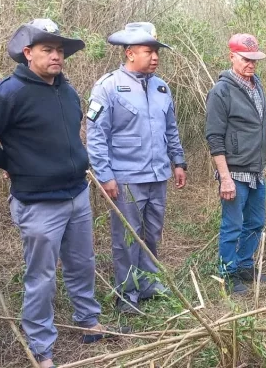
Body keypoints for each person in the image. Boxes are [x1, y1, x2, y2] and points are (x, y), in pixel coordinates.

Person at [0, 18, 127, 368]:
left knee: (82, 262)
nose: (56, 56)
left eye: (60, 51)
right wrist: (11, 162)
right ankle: (41, 348)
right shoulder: (6, 93)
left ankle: (88, 320)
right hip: (38, 202)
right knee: (41, 276)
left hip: (76, 193)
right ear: (28, 53)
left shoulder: (66, 89)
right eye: (48, 50)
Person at [86, 22, 187, 314]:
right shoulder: (108, 86)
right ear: (130, 53)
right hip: (126, 178)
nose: (155, 57)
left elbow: (171, 129)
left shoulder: (161, 87)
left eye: (157, 52)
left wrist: (178, 161)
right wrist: (105, 176)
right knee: (127, 237)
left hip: (158, 175)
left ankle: (149, 284)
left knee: (152, 233)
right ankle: (126, 293)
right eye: (148, 51)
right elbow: (96, 136)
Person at [205, 33, 266, 295]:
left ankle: (246, 266)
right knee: (232, 225)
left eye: (254, 59)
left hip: (256, 170)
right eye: (245, 59)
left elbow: (256, 118)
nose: (251, 64)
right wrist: (224, 177)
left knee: (255, 222)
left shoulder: (256, 84)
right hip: (235, 172)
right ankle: (226, 275)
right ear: (232, 57)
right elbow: (214, 137)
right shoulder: (221, 91)